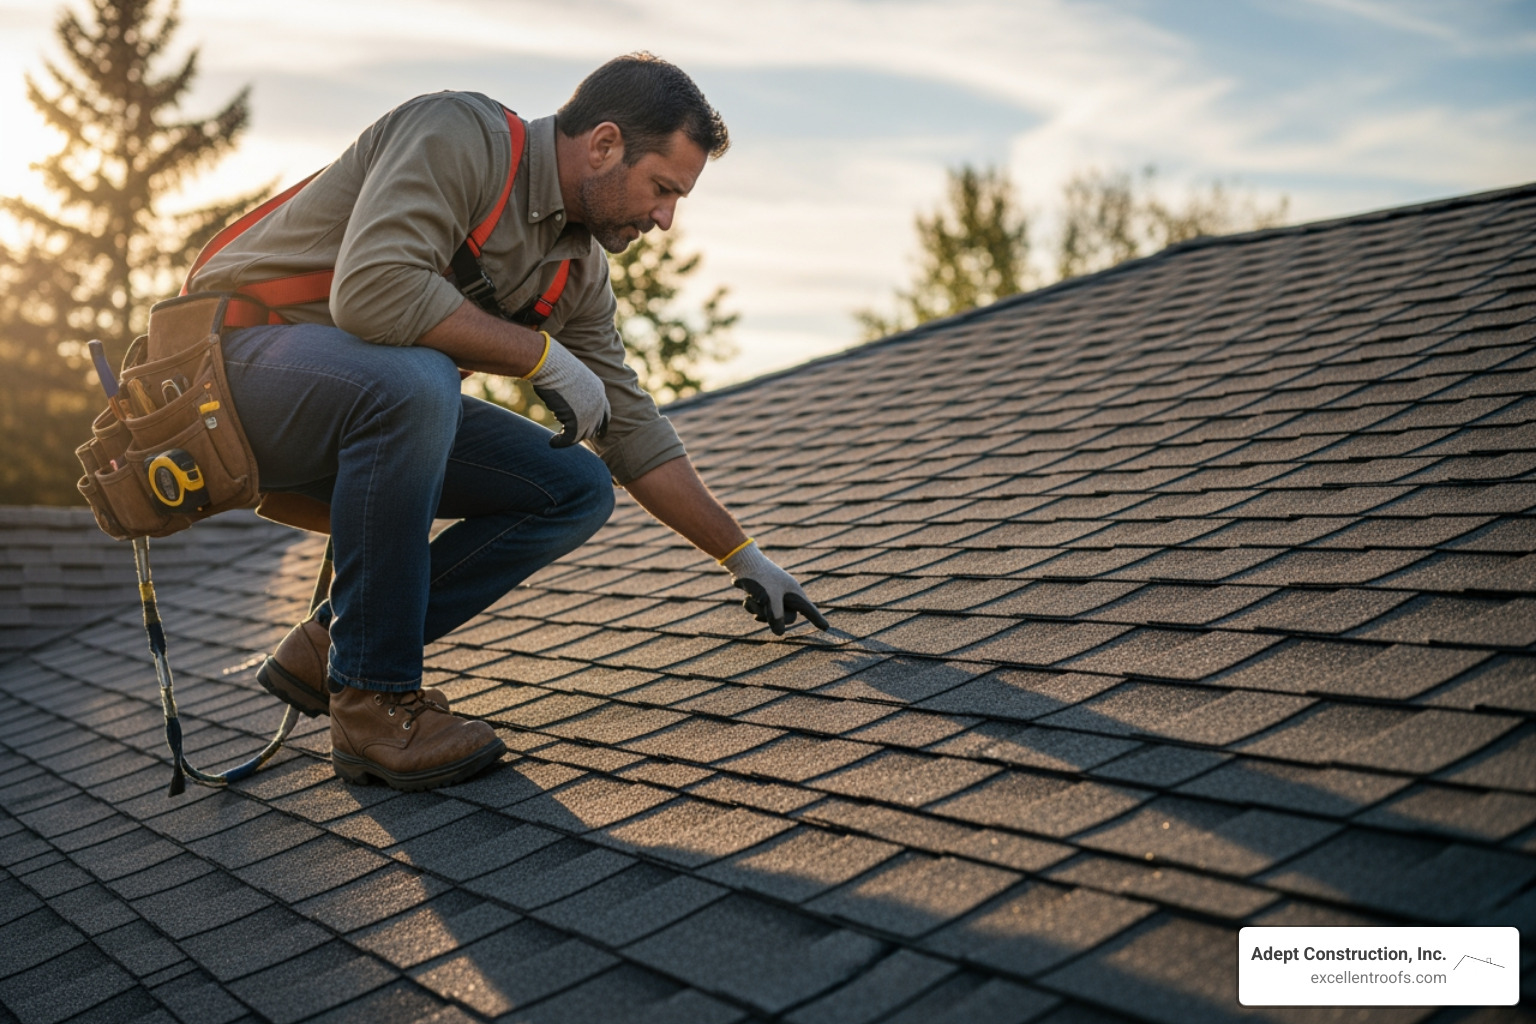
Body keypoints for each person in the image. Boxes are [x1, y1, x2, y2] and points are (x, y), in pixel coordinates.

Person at [188, 54, 828, 792]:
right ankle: (371, 700)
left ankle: (333, 644)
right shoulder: (460, 133)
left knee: (574, 487)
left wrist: (743, 556)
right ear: (604, 145)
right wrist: (542, 357)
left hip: (372, 409)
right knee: (419, 378)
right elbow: (372, 292)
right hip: (233, 375)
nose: (664, 219)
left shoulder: (576, 270)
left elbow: (629, 427)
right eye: (663, 189)